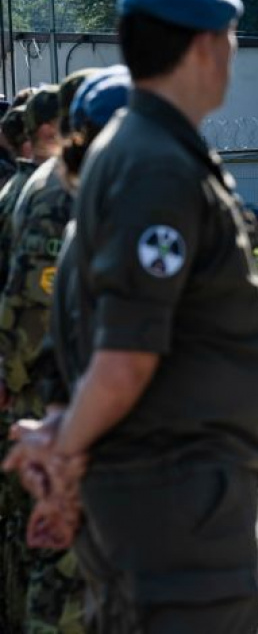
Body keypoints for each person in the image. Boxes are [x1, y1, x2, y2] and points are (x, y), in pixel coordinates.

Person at [6, 0, 258, 633]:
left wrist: (63, 432)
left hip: (167, 497)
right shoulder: (155, 164)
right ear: (204, 44)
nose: (233, 53)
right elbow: (126, 357)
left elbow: (92, 321)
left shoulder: (132, 152)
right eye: (230, 36)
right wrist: (66, 450)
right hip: (175, 504)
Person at [0, 70, 94, 633]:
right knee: (53, 551)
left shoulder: (31, 186)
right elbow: (34, 303)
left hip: (40, 390)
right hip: (44, 394)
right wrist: (14, 380)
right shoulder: (55, 191)